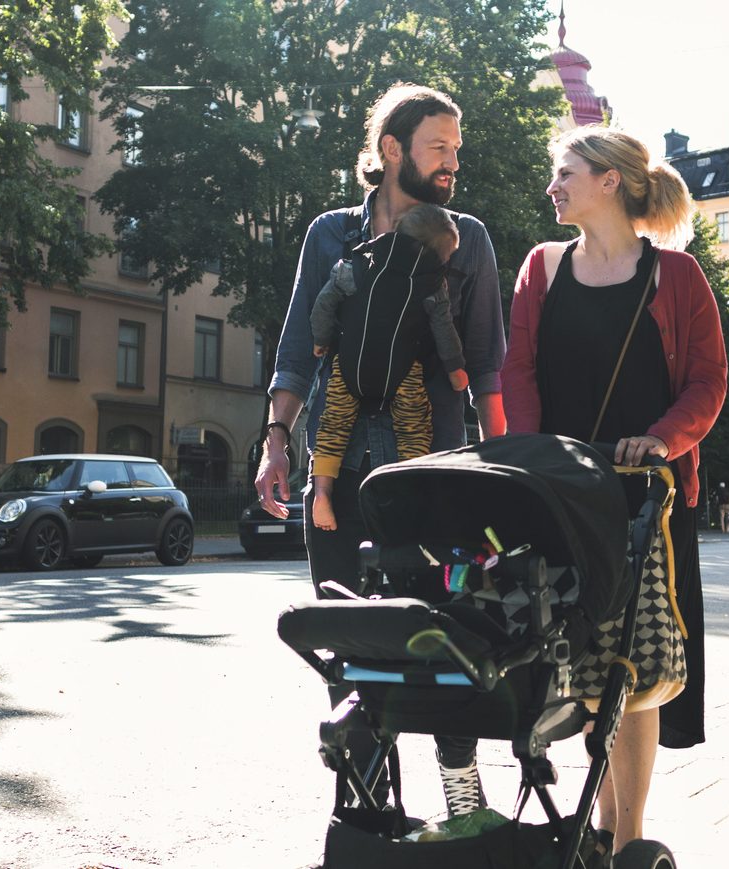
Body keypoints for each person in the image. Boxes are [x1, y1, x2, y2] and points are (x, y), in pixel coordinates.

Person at [254, 83, 508, 819]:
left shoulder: (470, 239)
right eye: (439, 147)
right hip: (336, 468)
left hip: (433, 475)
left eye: (456, 149)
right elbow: (299, 345)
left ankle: (461, 796)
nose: (452, 162)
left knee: (442, 632)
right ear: (392, 150)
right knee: (346, 634)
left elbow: (486, 360)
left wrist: (500, 461)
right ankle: (365, 803)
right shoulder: (329, 235)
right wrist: (275, 439)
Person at [499, 126, 727, 851]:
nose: (551, 185)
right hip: (561, 493)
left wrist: (662, 437)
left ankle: (626, 836)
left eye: (564, 171)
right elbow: (519, 374)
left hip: (646, 499)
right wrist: (535, 459)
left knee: (635, 660)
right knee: (573, 659)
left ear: (608, 180)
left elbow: (706, 381)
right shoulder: (540, 267)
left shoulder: (678, 277)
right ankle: (597, 829)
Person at [307, 204, 470, 531]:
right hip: (403, 370)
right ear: (436, 254)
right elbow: (443, 330)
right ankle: (410, 487)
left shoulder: (357, 263)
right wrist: (456, 370)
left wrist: (321, 340)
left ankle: (322, 492)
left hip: (348, 365)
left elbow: (324, 303)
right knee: (414, 426)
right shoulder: (432, 283)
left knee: (333, 426)